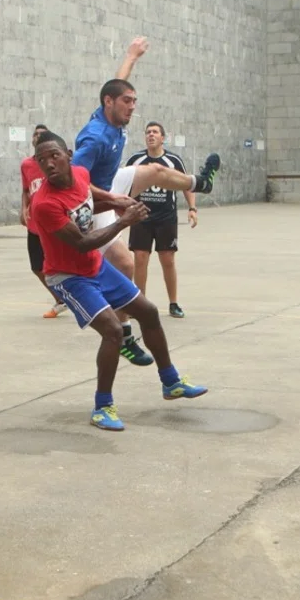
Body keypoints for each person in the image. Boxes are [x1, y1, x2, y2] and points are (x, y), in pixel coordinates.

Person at [31, 132, 208, 432]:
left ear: (68, 155)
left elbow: (89, 202)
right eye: (41, 160)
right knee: (113, 331)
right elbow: (83, 243)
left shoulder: (80, 174)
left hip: (95, 266)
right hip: (68, 276)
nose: (48, 164)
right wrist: (123, 220)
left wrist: (117, 201)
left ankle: (171, 382)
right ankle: (102, 407)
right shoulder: (44, 204)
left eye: (54, 156)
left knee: (148, 312)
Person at [73, 37, 220, 365]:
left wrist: (131, 56)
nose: (132, 107)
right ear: (110, 103)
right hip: (90, 198)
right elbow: (74, 181)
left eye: (134, 101)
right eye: (127, 101)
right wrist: (111, 198)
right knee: (126, 264)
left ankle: (200, 183)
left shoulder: (112, 113)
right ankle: (124, 334)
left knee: (155, 170)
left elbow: (116, 83)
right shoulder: (95, 137)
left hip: (111, 181)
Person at [125, 121, 196, 318]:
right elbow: (124, 183)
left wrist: (192, 208)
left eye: (155, 132)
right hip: (141, 216)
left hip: (166, 218)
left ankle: (173, 303)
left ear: (163, 138)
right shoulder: (136, 160)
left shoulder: (173, 161)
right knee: (140, 259)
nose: (151, 135)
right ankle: (140, 304)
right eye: (148, 132)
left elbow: (187, 185)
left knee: (167, 259)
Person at [21, 124, 66, 318]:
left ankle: (80, 297)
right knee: (37, 267)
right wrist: (23, 209)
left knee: (64, 264)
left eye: (42, 134)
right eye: (35, 134)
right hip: (34, 224)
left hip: (54, 222)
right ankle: (60, 299)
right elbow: (26, 190)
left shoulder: (56, 163)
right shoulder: (26, 165)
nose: (38, 137)